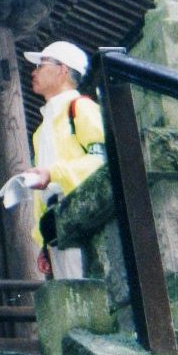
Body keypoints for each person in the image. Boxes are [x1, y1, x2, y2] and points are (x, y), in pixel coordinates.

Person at [22, 40, 105, 279]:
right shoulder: (42, 129)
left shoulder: (81, 108)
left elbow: (101, 162)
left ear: (63, 70)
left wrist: (52, 174)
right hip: (56, 221)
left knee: (85, 291)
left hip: (81, 214)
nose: (34, 72)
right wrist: (43, 240)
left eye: (41, 65)